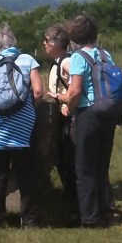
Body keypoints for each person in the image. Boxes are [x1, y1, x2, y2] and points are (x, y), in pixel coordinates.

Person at [58, 12, 122, 229]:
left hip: (89, 114)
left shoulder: (78, 58)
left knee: (84, 168)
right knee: (101, 166)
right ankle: (107, 211)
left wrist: (64, 99)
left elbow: (75, 91)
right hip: (109, 113)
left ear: (75, 37)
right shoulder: (106, 55)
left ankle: (91, 219)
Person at [0, 23, 43, 229]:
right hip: (22, 126)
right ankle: (29, 220)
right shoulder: (27, 59)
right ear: (13, 41)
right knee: (26, 173)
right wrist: (30, 108)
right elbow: (39, 91)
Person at [44, 24, 79, 223]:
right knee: (67, 162)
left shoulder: (65, 62)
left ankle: (73, 207)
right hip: (67, 117)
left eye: (47, 41)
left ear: (58, 43)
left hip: (68, 117)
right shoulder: (63, 60)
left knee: (69, 163)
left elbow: (77, 85)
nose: (44, 44)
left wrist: (63, 98)